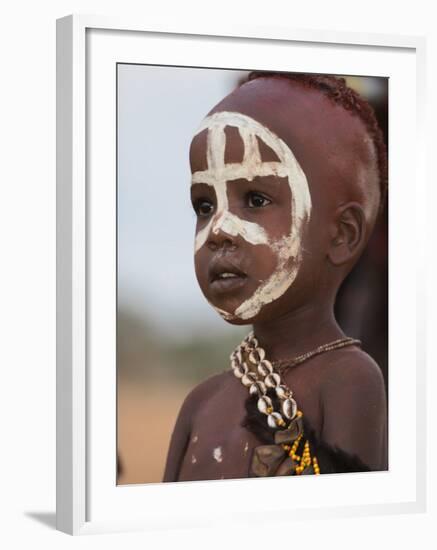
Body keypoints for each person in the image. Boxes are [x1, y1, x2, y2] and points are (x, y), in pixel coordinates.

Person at [163, 72, 388, 481]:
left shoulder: (349, 379)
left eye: (255, 199)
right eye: (204, 205)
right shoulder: (200, 404)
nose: (219, 230)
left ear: (341, 234)